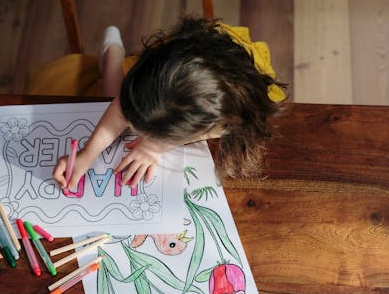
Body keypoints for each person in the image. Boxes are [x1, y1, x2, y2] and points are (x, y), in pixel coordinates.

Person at [52, 16, 287, 190]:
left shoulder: (228, 118)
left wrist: (154, 148)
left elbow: (198, 133)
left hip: (214, 76)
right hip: (181, 61)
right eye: (133, 122)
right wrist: (86, 154)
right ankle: (112, 51)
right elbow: (120, 108)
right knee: (112, 89)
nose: (133, 130)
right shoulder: (156, 79)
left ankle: (113, 53)